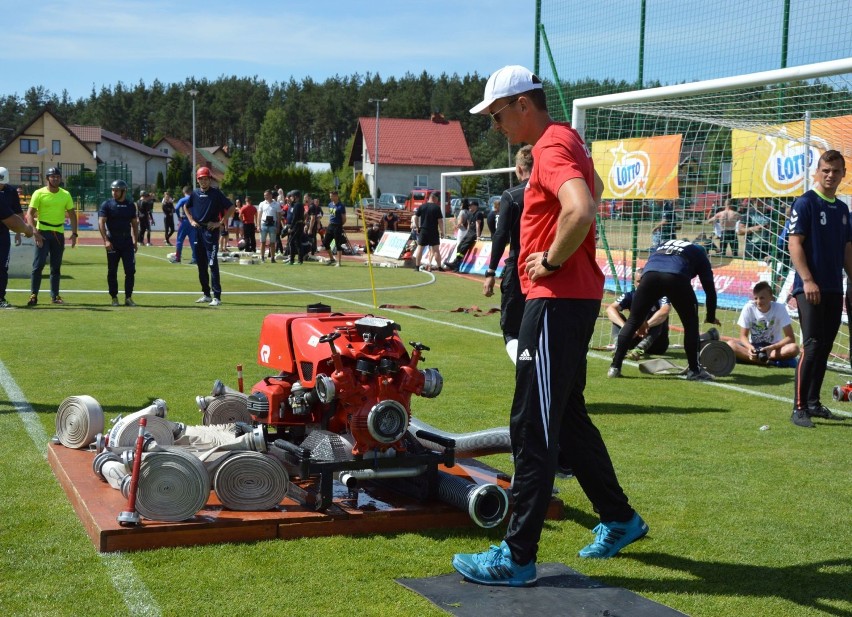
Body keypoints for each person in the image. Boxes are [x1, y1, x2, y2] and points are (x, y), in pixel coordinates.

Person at [453, 65, 645, 588]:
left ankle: (517, 556)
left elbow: (581, 207)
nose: (495, 127)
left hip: (556, 300)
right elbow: (596, 188)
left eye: (496, 115)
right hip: (573, 300)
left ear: (522, 104)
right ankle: (621, 518)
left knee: (532, 427)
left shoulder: (549, 147)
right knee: (567, 417)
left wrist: (554, 260)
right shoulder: (567, 140)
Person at [788, 149, 852, 427]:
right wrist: (808, 279)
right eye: (825, 170)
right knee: (812, 346)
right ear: (817, 172)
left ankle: (813, 403)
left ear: (843, 175)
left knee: (824, 348)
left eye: (835, 171)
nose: (830, 175)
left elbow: (847, 248)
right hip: (809, 288)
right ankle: (799, 408)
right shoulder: (805, 203)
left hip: (834, 288)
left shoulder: (843, 209)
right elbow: (794, 243)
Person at [609, 239, 720, 380]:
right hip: (676, 277)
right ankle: (694, 370)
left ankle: (615, 367)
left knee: (632, 321)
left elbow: (654, 267)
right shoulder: (699, 253)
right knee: (690, 325)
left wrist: (641, 318)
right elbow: (709, 288)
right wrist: (710, 316)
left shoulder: (663, 245)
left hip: (648, 276)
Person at [483, 145, 533, 363]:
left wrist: (491, 271)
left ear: (519, 169)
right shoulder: (554, 192)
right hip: (552, 264)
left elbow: (501, 234)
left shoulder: (512, 195)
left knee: (512, 330)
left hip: (521, 264)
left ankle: (527, 374)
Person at [26, 167, 78, 306]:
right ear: (47, 178)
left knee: (56, 267)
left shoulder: (65, 194)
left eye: (57, 176)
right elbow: (29, 214)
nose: (55, 179)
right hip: (42, 233)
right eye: (52, 176)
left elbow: (72, 215)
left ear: (60, 178)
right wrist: (35, 232)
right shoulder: (39, 193)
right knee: (38, 265)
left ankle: (55, 296)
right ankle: (33, 295)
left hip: (58, 234)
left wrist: (74, 234)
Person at [184, 167, 233, 306]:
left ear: (209, 179)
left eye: (206, 179)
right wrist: (191, 220)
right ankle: (206, 294)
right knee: (201, 264)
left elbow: (231, 208)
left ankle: (216, 297)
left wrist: (220, 223)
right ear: (197, 180)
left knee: (212, 264)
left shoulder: (216, 193)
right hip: (197, 231)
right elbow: (186, 207)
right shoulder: (194, 194)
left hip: (210, 231)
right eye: (201, 179)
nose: (203, 181)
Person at [728, 281, 798, 367]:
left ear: (771, 297)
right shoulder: (748, 308)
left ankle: (759, 359)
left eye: (762, 298)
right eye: (756, 298)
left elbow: (790, 338)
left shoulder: (780, 308)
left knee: (794, 348)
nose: (758, 301)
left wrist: (772, 348)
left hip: (773, 349)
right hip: (754, 347)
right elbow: (743, 336)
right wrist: (750, 348)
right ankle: (766, 361)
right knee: (730, 345)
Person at [606, 277, 670, 362]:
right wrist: (627, 328)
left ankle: (638, 350)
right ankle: (619, 346)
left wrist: (645, 326)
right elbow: (610, 309)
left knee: (661, 318)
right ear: (635, 282)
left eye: (644, 281)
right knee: (619, 316)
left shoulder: (661, 296)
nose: (641, 284)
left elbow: (665, 311)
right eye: (639, 281)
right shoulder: (630, 295)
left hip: (656, 344)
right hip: (633, 339)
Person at [98, 180, 139, 306]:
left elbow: (134, 224)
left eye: (117, 190)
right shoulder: (107, 205)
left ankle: (128, 297)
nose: (114, 192)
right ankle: (114, 297)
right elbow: (101, 223)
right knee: (112, 271)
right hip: (112, 241)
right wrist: (106, 240)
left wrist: (135, 241)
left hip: (127, 242)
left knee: (130, 270)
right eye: (113, 190)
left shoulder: (131, 205)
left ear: (123, 191)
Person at [0, 167, 35, 308]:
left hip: (3, 234)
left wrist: (19, 233)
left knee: (2, 266)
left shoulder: (10, 192)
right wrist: (26, 230)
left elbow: (17, 214)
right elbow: (12, 220)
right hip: (4, 231)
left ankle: (0, 297)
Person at [411, 191, 445, 272]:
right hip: (433, 231)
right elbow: (440, 221)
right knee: (436, 250)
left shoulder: (422, 206)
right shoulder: (436, 208)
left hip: (424, 230)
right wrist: (442, 231)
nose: (438, 200)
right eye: (437, 199)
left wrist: (418, 227)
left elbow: (415, 217)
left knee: (420, 248)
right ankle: (440, 267)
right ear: (434, 198)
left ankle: (417, 266)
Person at [449, 199, 483, 270]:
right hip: (469, 232)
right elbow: (469, 226)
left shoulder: (478, 214)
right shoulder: (470, 214)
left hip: (473, 234)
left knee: (464, 247)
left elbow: (478, 225)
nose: (469, 207)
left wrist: (478, 236)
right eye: (469, 206)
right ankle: (456, 262)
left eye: (471, 206)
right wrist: (467, 232)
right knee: (460, 246)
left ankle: (456, 263)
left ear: (475, 206)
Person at [171, 186, 197, 264]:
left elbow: (176, 208)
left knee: (180, 239)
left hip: (185, 221)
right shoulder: (195, 199)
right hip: (193, 222)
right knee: (193, 241)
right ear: (191, 191)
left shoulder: (183, 199)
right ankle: (195, 258)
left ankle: (178, 257)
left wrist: (179, 217)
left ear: (184, 192)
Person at [322, 190, 346, 267]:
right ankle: (332, 259)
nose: (330, 197)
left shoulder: (341, 206)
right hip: (330, 226)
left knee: (338, 244)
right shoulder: (330, 205)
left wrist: (339, 225)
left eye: (332, 196)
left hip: (337, 226)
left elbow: (344, 218)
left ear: (336, 196)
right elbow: (331, 216)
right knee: (325, 242)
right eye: (330, 196)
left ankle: (339, 262)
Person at [257, 189, 280, 262]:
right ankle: (262, 257)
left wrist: (278, 226)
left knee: (272, 242)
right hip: (264, 224)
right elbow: (259, 215)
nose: (265, 197)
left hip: (273, 225)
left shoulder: (276, 204)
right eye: (264, 195)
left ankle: (272, 258)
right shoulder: (262, 204)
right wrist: (258, 225)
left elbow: (278, 216)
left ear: (270, 195)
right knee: (262, 242)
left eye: (266, 195)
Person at [286, 190, 307, 265]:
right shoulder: (296, 204)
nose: (290, 198)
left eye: (291, 196)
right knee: (295, 242)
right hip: (298, 225)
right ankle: (294, 260)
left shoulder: (298, 205)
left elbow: (295, 217)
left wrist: (291, 227)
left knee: (294, 242)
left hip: (297, 226)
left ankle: (296, 260)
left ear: (295, 197)